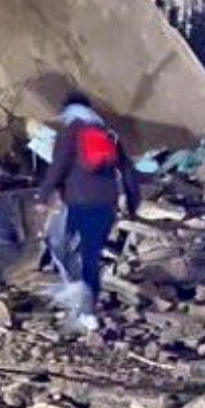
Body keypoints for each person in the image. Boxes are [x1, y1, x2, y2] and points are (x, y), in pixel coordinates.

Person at [37, 94, 142, 330]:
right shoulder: (107, 133)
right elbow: (127, 170)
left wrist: (43, 195)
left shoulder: (71, 131)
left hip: (79, 201)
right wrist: (133, 203)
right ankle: (88, 310)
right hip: (106, 203)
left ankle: (79, 304)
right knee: (90, 254)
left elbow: (58, 166)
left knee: (61, 246)